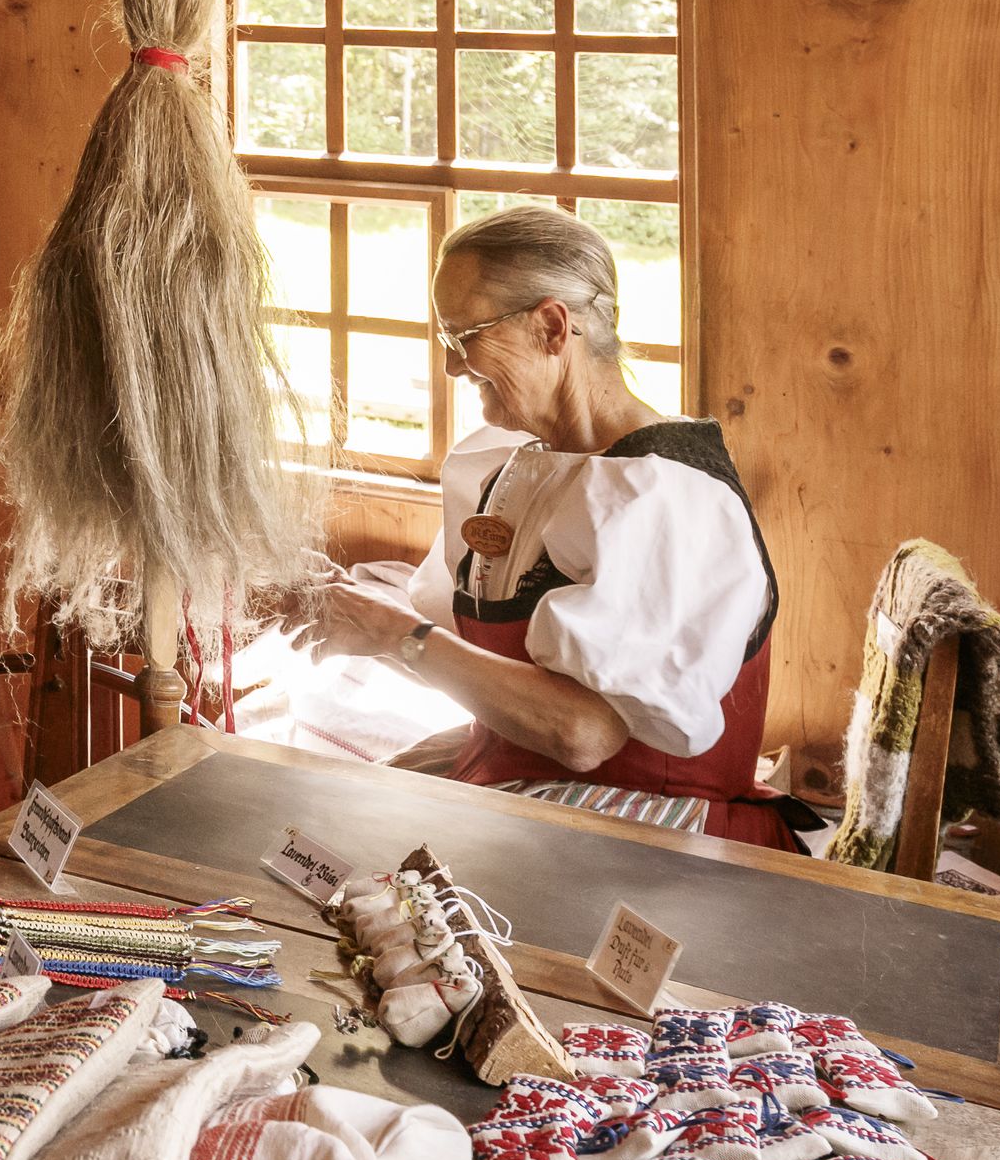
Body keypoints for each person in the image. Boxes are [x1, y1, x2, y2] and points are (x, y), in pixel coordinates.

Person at [294, 206, 794, 848]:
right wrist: (355, 611)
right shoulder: (520, 465)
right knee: (314, 845)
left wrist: (397, 634)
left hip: (640, 830)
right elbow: (482, 661)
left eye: (463, 337)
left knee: (367, 882)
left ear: (552, 327)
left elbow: (582, 734)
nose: (451, 366)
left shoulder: (663, 498)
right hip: (527, 787)